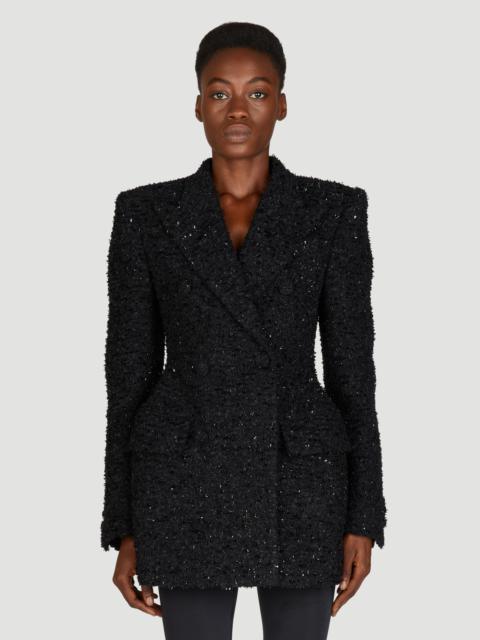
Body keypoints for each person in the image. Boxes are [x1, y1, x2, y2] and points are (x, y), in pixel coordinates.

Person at [100, 21, 387, 640]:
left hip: (300, 478)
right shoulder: (146, 214)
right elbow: (127, 379)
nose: (237, 109)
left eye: (257, 92)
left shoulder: (332, 211)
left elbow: (353, 375)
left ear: (281, 104)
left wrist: (363, 516)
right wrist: (123, 524)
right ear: (197, 105)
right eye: (219, 92)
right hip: (182, 480)